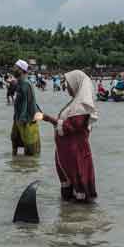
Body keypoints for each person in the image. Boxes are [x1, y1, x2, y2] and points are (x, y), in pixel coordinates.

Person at [40, 70, 98, 202]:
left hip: (76, 152)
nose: (67, 87)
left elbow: (69, 127)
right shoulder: (75, 103)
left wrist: (48, 118)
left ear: (77, 84)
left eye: (69, 84)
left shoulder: (81, 107)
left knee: (79, 186)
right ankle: (70, 217)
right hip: (68, 152)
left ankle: (79, 216)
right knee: (69, 190)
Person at [11, 60, 41, 156]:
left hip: (26, 118)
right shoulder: (19, 82)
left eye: (15, 67)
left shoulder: (25, 83)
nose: (13, 69)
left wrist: (22, 118)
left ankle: (27, 167)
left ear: (21, 70)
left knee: (29, 146)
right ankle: (18, 164)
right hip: (18, 117)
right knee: (15, 140)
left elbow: (26, 103)